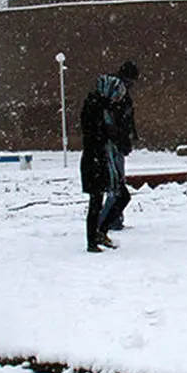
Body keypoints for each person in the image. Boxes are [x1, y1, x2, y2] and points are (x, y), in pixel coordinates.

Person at [80, 75, 126, 253]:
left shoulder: (105, 107)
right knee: (96, 202)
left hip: (104, 160)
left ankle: (100, 232)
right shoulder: (95, 107)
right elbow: (94, 134)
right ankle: (92, 240)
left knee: (118, 196)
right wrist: (110, 134)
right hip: (96, 161)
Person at [101, 60, 139, 233]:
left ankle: (113, 219)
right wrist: (125, 138)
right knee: (116, 186)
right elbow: (123, 120)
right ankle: (107, 222)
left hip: (115, 144)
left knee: (116, 186)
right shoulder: (117, 95)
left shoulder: (116, 94)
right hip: (114, 145)